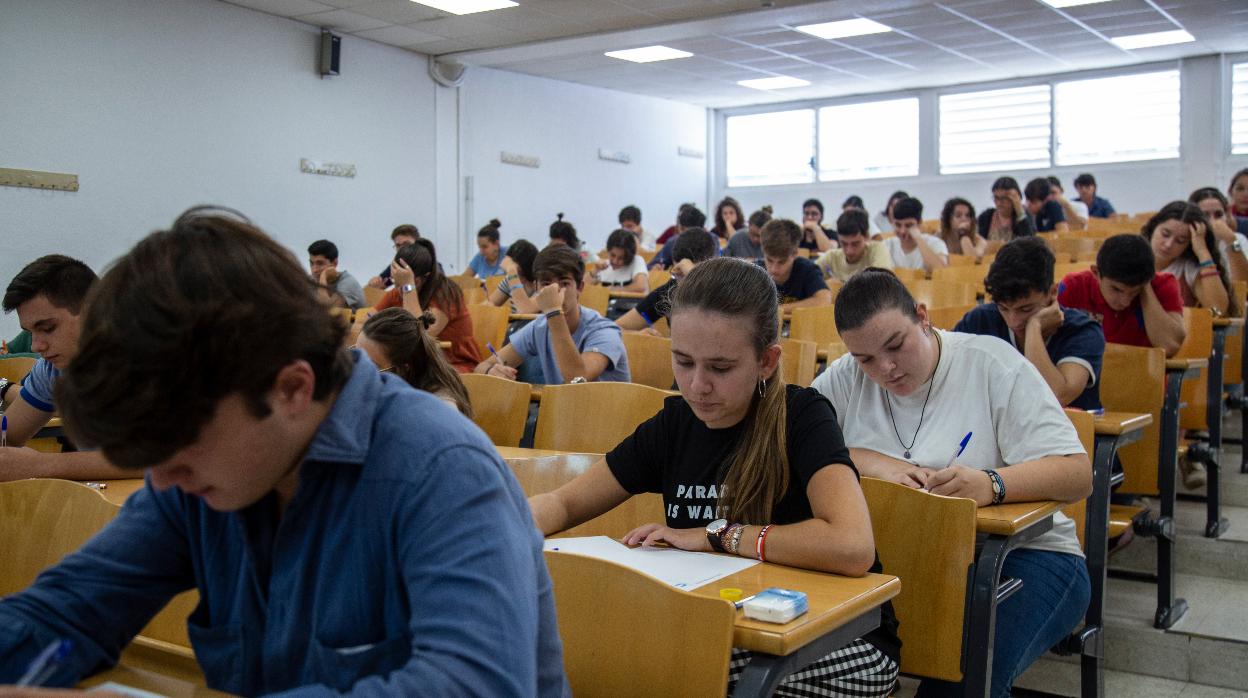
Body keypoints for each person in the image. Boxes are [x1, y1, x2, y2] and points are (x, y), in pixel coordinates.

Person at [0, 207, 567, 695]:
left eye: (178, 444)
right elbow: (65, 612)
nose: (160, 480)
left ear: (292, 388)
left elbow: (477, 686)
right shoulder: (195, 475)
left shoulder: (441, 469)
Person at [529, 257, 901, 697]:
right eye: (683, 362)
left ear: (767, 361)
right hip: (718, 625)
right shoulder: (674, 424)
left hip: (842, 638)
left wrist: (718, 535)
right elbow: (566, 503)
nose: (696, 385)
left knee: (669, 666)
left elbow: (852, 546)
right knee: (591, 647)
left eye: (720, 368)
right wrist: (497, 532)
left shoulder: (802, 417)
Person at [812, 268, 1091, 698]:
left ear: (922, 318)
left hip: (1024, 558)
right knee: (814, 666)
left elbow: (1077, 473)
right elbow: (792, 449)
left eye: (895, 345)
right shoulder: (846, 376)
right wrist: (873, 462)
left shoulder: (992, 364)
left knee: (961, 680)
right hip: (910, 559)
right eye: (865, 358)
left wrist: (992, 484)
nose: (884, 368)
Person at [0, 255, 133, 483]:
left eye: (48, 328)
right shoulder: (54, 370)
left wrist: (42, 465)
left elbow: (165, 457)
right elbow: (9, 435)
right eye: (30, 331)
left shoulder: (151, 357)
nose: (35, 346)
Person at [955, 237, 1105, 410]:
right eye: (1003, 308)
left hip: (1067, 434)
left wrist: (1034, 328)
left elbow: (1055, 396)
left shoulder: (1084, 331)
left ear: (1053, 292)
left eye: (1025, 309)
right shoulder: (980, 319)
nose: (1013, 321)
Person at [476, 245, 629, 384]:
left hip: (605, 413)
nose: (554, 291)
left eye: (564, 283)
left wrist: (554, 312)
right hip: (562, 411)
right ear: (537, 287)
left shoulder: (604, 331)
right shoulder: (539, 327)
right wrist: (491, 371)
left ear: (580, 287)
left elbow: (577, 379)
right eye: (546, 284)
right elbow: (482, 367)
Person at [1057, 234, 1186, 357]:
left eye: (1135, 292)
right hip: (1086, 375)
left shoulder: (1162, 284)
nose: (1125, 302)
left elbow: (1169, 346)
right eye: (1116, 289)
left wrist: (1146, 288)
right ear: (1096, 273)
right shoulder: (1073, 286)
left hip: (1141, 376)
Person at [374, 239, 482, 373]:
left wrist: (409, 286)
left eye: (412, 281)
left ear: (426, 277)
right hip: (419, 363)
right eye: (396, 280)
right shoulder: (399, 289)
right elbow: (368, 320)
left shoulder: (445, 293)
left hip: (455, 365)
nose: (399, 289)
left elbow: (419, 335)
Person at [357, 308, 473, 416]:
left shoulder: (440, 406)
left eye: (370, 366)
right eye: (356, 354)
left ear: (403, 369)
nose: (357, 369)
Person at [616, 228, 718, 335]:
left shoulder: (725, 290)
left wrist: (692, 275)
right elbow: (615, 329)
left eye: (688, 274)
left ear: (710, 268)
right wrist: (636, 335)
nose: (682, 283)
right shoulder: (669, 293)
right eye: (678, 273)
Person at [1142, 202, 1235, 317]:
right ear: (1153, 227)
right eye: (1165, 234)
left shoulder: (1188, 268)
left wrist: (1202, 251)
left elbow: (1218, 311)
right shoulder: (1130, 256)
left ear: (1189, 245)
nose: (1168, 245)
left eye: (1180, 241)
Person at [760, 219, 832, 311]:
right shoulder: (755, 271)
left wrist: (777, 310)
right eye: (769, 260)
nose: (774, 269)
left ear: (795, 254)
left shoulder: (807, 269)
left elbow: (824, 300)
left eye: (781, 262)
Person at [816, 208, 892, 282]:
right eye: (844, 243)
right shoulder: (831, 258)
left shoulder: (877, 250)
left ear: (867, 237)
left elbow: (881, 283)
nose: (849, 251)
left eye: (855, 244)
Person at [1189, 187, 1248, 281]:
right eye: (1205, 215)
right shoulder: (1185, 241)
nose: (1212, 221)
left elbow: (1243, 283)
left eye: (1218, 215)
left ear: (1227, 214)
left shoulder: (1237, 239)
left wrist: (1231, 240)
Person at [884, 198, 948, 272]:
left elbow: (940, 271)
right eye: (898, 225)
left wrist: (918, 239)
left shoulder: (935, 243)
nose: (902, 231)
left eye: (908, 225)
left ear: (920, 223)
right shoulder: (887, 244)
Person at [308, 239, 366, 310]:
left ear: (334, 263)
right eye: (311, 263)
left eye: (320, 263)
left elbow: (327, 312)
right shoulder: (311, 280)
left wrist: (322, 278)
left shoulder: (348, 283)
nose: (314, 270)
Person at [651, 205, 714, 270]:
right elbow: (652, 265)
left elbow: (714, 269)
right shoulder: (673, 242)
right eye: (683, 231)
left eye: (692, 233)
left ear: (702, 230)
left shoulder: (712, 241)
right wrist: (656, 267)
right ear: (679, 228)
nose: (686, 237)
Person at [488, 238, 540, 313]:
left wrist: (511, 271)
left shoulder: (542, 284)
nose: (517, 277)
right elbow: (490, 304)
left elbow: (525, 310)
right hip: (514, 324)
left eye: (519, 272)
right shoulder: (510, 279)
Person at [978, 177, 1037, 241]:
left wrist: (1019, 209)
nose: (999, 202)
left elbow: (1030, 240)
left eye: (1004, 198)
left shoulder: (1025, 217)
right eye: (996, 198)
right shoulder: (986, 217)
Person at [367, 223, 420, 288]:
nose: (402, 249)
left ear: (418, 244)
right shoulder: (398, 265)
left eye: (406, 244)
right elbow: (379, 284)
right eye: (398, 245)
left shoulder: (428, 264)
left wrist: (407, 284)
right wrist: (373, 284)